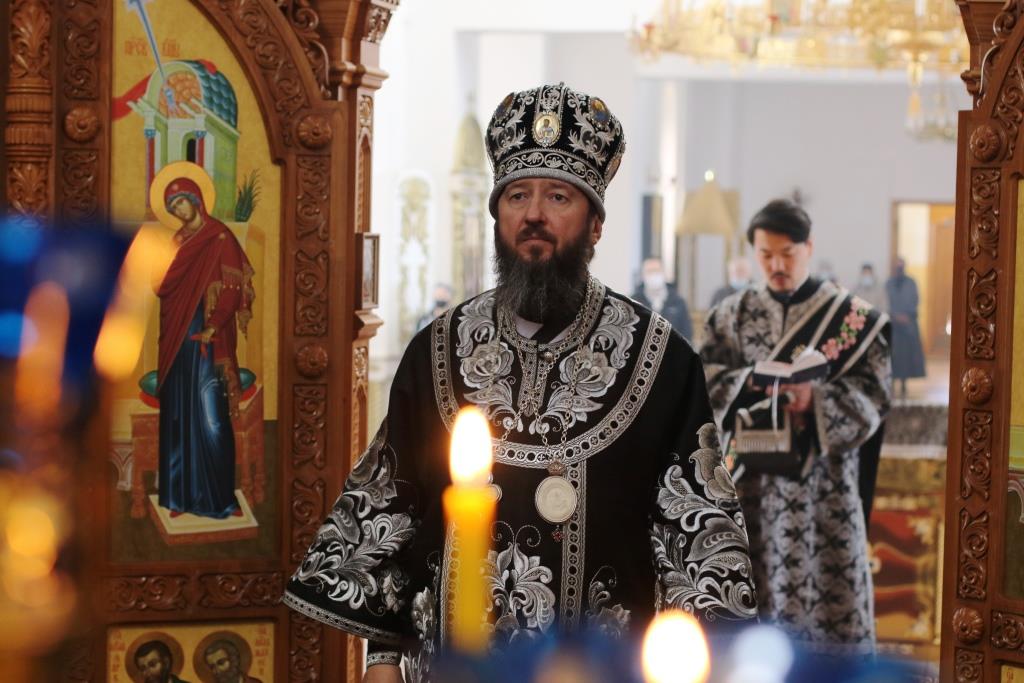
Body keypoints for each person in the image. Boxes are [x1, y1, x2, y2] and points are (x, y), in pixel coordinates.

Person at [284, 83, 757, 683]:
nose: (533, 213)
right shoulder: (438, 349)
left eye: (558, 196)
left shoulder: (663, 359)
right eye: (516, 196)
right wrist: (381, 658)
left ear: (595, 225)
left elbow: (697, 540)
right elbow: (395, 509)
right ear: (498, 217)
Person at [698, 198, 891, 656]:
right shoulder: (731, 314)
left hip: (824, 490)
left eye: (787, 253)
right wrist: (751, 381)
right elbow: (704, 381)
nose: (777, 265)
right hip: (749, 485)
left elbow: (875, 396)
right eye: (766, 255)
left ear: (809, 248)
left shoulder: (854, 319)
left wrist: (815, 400)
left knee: (827, 608)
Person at [155, 168, 255, 519]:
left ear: (196, 199)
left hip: (210, 341)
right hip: (178, 340)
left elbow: (232, 288)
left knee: (212, 419)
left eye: (181, 202)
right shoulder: (177, 242)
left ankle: (221, 499)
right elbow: (164, 285)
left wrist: (213, 325)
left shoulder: (220, 238)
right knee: (179, 415)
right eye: (172, 207)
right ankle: (179, 499)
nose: (178, 210)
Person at [885, 257, 926, 398]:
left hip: (908, 325)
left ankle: (904, 382)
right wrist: (894, 316)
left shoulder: (911, 283)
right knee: (893, 355)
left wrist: (907, 315)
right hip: (893, 325)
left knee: (906, 356)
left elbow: (915, 300)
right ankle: (892, 382)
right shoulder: (888, 284)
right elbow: (886, 302)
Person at [631, 257, 693, 340]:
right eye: (649, 271)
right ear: (642, 275)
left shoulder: (678, 302)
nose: (653, 275)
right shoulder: (633, 302)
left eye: (657, 270)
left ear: (664, 273)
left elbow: (687, 334)